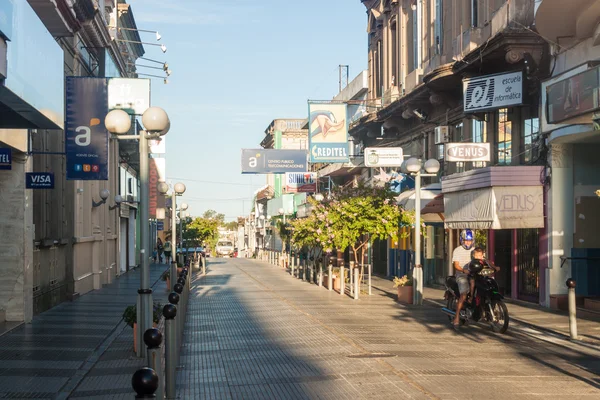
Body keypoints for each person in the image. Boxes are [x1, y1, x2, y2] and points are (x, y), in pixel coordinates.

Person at [452, 229, 475, 328]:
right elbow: (456, 265)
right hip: (461, 274)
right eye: (466, 240)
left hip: (473, 274)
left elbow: (483, 260)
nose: (468, 242)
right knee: (464, 294)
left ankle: (473, 299)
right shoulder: (457, 250)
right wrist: (464, 270)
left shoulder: (475, 250)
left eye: (469, 240)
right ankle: (456, 316)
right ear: (462, 239)